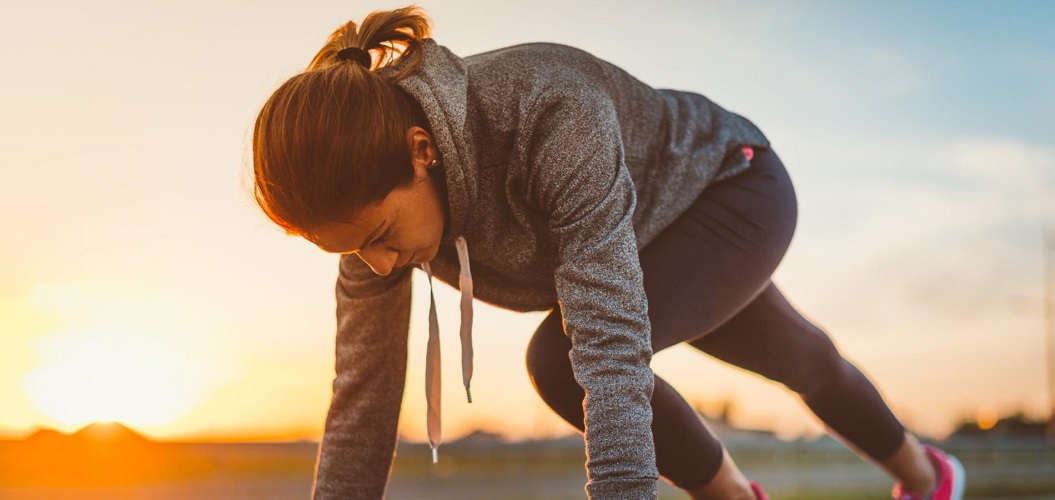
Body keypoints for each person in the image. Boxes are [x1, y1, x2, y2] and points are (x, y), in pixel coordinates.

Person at [250, 6, 966, 500]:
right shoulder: (365, 217)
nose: (377, 265)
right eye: (350, 253)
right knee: (796, 355)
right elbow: (361, 405)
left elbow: (610, 348)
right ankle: (932, 477)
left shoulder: (545, 109)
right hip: (644, 236)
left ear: (421, 152)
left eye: (379, 238)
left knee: (566, 360)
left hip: (727, 189)